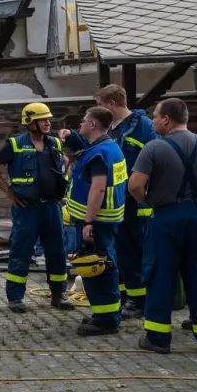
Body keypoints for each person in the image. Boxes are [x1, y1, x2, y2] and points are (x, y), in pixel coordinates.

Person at [127, 97, 197, 354]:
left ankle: (158, 338)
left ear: (166, 120)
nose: (154, 121)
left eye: (156, 116)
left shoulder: (154, 148)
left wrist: (151, 200)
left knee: (160, 276)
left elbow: (134, 185)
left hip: (165, 219)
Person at [0, 103, 71, 314]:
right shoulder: (14, 144)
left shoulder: (55, 144)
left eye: (48, 119)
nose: (48, 123)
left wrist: (63, 182)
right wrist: (8, 192)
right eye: (43, 120)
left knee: (57, 252)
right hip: (27, 209)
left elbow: (66, 162)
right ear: (30, 123)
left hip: (51, 207)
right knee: (21, 251)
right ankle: (15, 297)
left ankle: (59, 294)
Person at [90, 84, 157, 318]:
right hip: (116, 200)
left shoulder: (143, 127)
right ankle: (122, 296)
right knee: (118, 250)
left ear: (111, 104)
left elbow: (153, 161)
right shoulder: (112, 128)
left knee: (133, 251)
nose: (97, 109)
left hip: (135, 201)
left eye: (99, 104)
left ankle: (138, 301)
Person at [64, 107, 128, 336]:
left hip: (98, 221)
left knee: (98, 267)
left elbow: (98, 189)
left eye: (83, 121)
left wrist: (88, 222)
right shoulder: (110, 148)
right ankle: (104, 313)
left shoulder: (99, 154)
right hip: (107, 219)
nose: (80, 125)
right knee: (102, 266)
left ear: (92, 125)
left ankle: (107, 319)